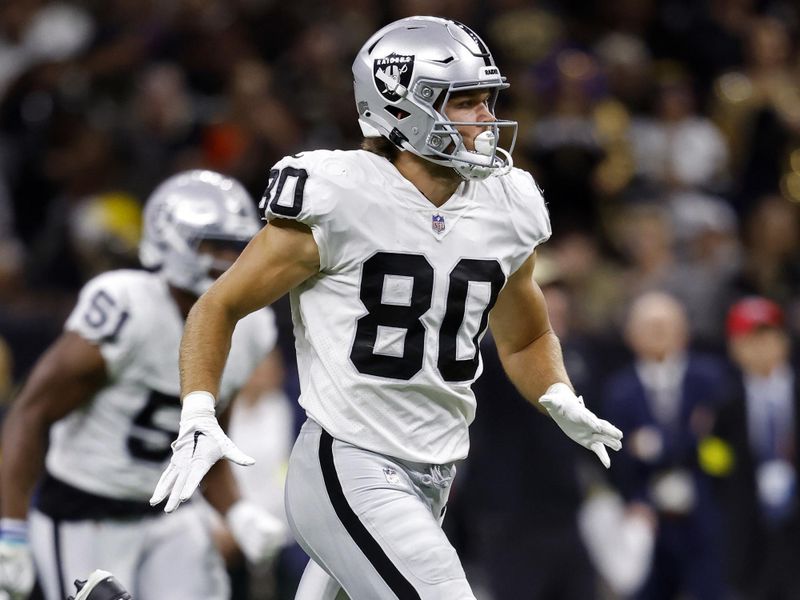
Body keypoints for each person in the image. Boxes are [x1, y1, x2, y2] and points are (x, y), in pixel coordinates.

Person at [151, 16, 623, 600]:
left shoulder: (508, 204)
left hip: (436, 474)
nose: (486, 117)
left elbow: (524, 338)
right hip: (348, 463)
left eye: (487, 99)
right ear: (402, 107)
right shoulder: (340, 194)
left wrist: (556, 394)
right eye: (465, 101)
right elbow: (219, 305)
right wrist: (199, 409)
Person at [0, 171, 286, 600]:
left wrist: (238, 511)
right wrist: (11, 530)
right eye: (215, 245)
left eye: (237, 246)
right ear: (172, 241)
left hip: (172, 512)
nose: (230, 259)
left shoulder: (252, 327)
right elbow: (30, 412)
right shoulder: (126, 307)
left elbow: (205, 438)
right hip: (87, 513)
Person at [603, 291, 726, 600]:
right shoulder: (619, 391)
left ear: (684, 330)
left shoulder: (711, 378)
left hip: (707, 512)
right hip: (647, 517)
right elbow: (614, 457)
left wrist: (653, 446)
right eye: (649, 326)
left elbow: (724, 445)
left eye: (665, 325)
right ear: (630, 334)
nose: (658, 333)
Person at [712, 297, 800, 598]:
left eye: (767, 336)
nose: (760, 346)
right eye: (748, 339)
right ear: (734, 348)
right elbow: (713, 458)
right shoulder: (724, 403)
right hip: (750, 536)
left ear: (783, 340)